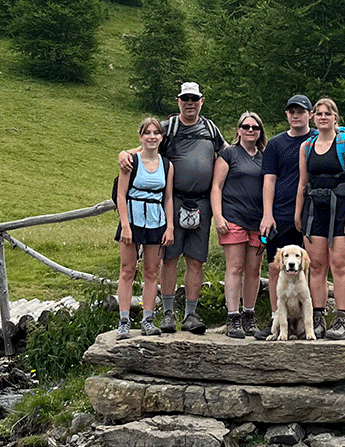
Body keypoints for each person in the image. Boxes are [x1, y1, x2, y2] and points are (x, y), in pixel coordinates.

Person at [119, 82, 227, 334]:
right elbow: (149, 143)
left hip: (202, 202)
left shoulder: (211, 128)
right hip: (174, 200)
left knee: (196, 260)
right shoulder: (169, 127)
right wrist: (125, 153)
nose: (190, 103)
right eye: (185, 99)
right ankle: (167, 313)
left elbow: (228, 152)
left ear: (202, 101)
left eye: (194, 99)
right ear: (178, 101)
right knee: (170, 258)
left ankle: (190, 314)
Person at [294, 97, 345, 340]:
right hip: (315, 210)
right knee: (316, 266)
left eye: (328, 113)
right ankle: (318, 319)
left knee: (340, 266)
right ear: (313, 117)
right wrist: (298, 213)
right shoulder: (307, 147)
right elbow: (303, 182)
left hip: (342, 209)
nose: (323, 117)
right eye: (319, 113)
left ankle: (342, 321)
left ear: (335, 117)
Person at [257, 94, 315, 338]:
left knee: (313, 266)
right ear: (286, 114)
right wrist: (267, 214)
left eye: (300, 111)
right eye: (291, 111)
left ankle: (311, 322)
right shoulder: (276, 144)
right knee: (275, 267)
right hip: (280, 213)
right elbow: (269, 179)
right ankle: (277, 320)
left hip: (312, 212)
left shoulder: (318, 139)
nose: (295, 115)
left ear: (309, 114)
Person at [114, 117, 175, 340]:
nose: (152, 137)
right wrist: (125, 225)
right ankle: (123, 321)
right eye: (147, 133)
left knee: (152, 271)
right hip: (132, 218)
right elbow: (121, 195)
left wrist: (170, 227)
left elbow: (168, 198)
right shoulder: (131, 162)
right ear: (141, 137)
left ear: (161, 137)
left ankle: (147, 320)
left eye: (156, 133)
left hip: (156, 222)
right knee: (127, 270)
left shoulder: (167, 165)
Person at [211, 112, 268, 338]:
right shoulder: (228, 154)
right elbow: (216, 186)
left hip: (258, 220)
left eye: (255, 127)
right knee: (234, 267)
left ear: (260, 132)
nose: (250, 130)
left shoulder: (264, 157)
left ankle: (249, 314)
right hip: (233, 216)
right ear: (238, 130)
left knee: (254, 269)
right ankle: (232, 316)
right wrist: (218, 215)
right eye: (246, 126)